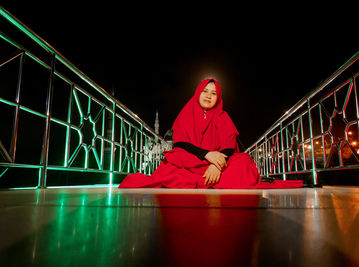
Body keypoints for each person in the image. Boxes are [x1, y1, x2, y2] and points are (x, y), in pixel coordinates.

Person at [119, 78, 302, 189]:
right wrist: (207, 154)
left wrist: (217, 165)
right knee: (172, 165)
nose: (208, 96)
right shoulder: (187, 112)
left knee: (243, 161)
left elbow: (230, 145)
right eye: (205, 91)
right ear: (198, 93)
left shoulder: (222, 116)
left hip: (219, 162)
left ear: (218, 97)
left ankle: (208, 178)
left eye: (213, 93)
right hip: (193, 160)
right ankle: (211, 180)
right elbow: (181, 143)